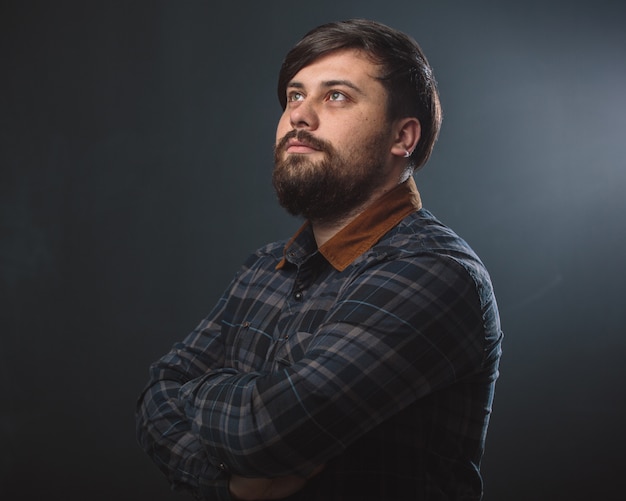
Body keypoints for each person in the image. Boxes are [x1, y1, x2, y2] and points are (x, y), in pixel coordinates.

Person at [136, 18, 503, 501]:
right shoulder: (263, 268)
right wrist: (227, 485)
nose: (299, 117)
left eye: (336, 96)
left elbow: (267, 434)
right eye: (294, 95)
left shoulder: (433, 273)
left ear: (403, 138)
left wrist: (198, 391)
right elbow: (156, 390)